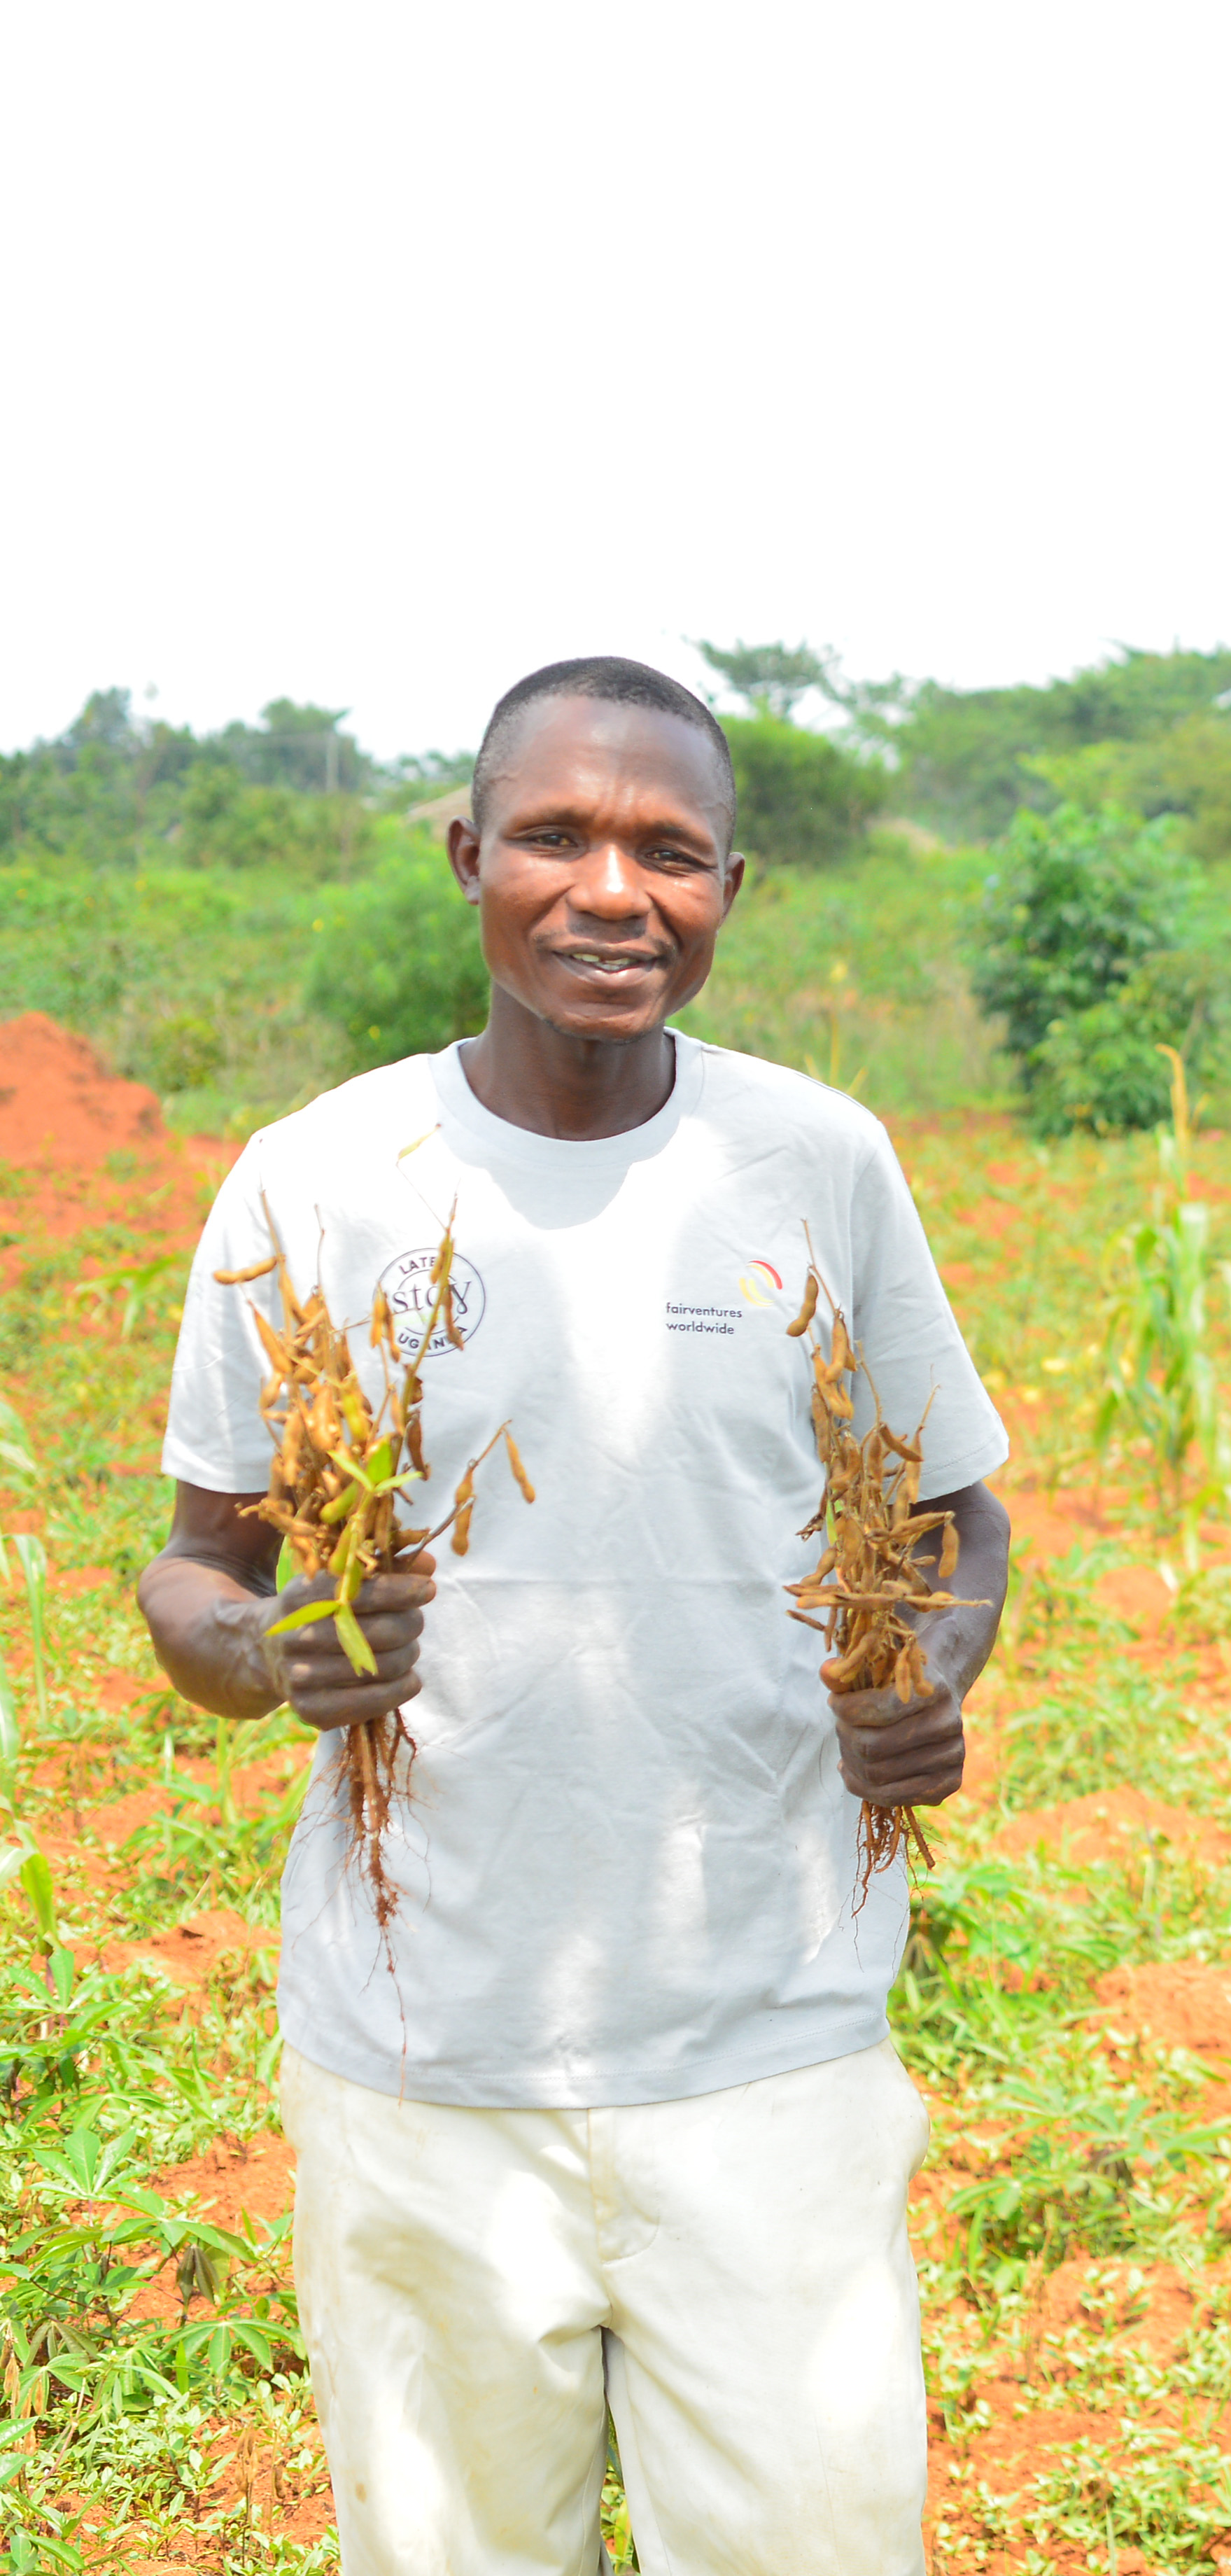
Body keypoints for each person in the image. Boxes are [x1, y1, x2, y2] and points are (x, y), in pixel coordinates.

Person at [137, 657, 1008, 2576]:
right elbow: (194, 1563)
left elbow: (957, 1516)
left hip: (773, 2040)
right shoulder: (319, 1183)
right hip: (426, 2058)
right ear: (469, 855)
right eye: (556, 836)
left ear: (730, 889)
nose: (613, 889)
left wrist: (928, 1674)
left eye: (669, 851)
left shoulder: (817, 1162)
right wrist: (260, 1651)